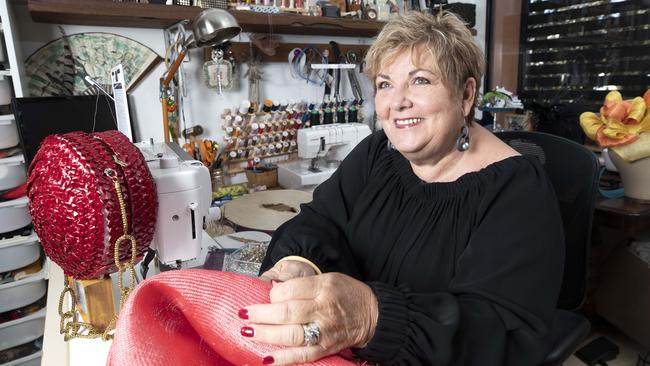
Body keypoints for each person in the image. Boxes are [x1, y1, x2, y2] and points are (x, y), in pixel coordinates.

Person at [239, 11, 565, 366]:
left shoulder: (517, 191)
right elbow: (320, 220)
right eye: (384, 84)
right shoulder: (377, 153)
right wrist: (300, 262)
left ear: (466, 94)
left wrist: (371, 318)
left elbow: (498, 332)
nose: (397, 102)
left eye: (420, 81)